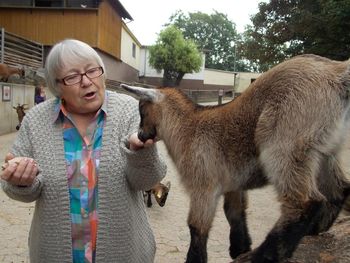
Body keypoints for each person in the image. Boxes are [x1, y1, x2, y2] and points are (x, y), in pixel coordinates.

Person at [0, 39, 167, 263]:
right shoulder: (36, 120)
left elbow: (147, 182)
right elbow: (22, 190)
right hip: (54, 252)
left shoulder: (130, 111)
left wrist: (141, 153)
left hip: (124, 252)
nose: (87, 81)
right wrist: (21, 180)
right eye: (72, 77)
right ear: (57, 86)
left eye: (92, 71)